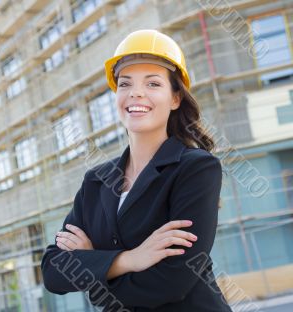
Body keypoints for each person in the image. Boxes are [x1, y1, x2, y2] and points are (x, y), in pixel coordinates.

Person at [41, 29, 232, 311]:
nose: (136, 93)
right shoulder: (96, 181)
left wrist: (95, 268)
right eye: (125, 84)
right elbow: (52, 270)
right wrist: (129, 259)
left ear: (176, 98)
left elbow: (174, 281)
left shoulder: (195, 168)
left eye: (153, 84)